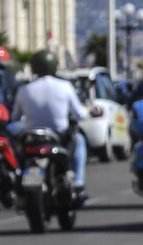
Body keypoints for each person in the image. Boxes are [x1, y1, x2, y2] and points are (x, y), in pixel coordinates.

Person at [11, 50, 88, 197]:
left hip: (33, 137)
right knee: (80, 140)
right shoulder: (65, 86)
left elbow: (15, 117)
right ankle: (78, 183)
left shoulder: (24, 89)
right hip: (58, 137)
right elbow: (80, 114)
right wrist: (88, 110)